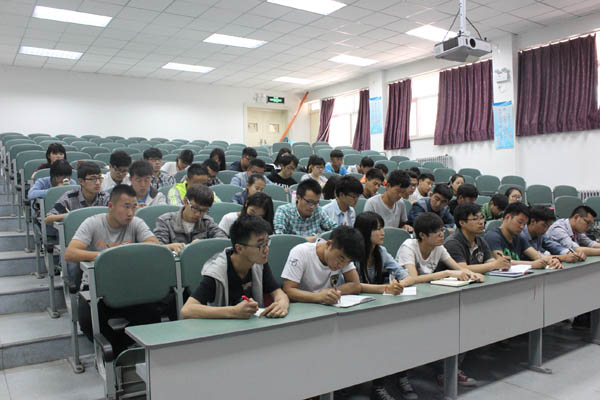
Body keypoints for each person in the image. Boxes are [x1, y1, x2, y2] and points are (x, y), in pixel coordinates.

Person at [65, 185, 179, 354]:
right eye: (126, 207)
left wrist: (125, 254)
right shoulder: (92, 223)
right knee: (88, 321)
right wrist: (106, 257)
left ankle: (123, 350)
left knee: (154, 312)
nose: (130, 213)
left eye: (134, 207)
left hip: (131, 286)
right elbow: (71, 253)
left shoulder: (136, 223)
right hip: (98, 288)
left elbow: (154, 247)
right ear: (111, 206)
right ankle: (118, 352)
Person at [180, 215, 289, 319]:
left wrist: (282, 304)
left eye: (267, 243)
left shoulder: (259, 263)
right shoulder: (216, 272)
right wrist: (233, 311)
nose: (266, 249)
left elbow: (278, 293)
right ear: (239, 248)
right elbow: (187, 310)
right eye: (260, 245)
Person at [281, 225, 363, 304]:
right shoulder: (300, 252)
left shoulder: (345, 258)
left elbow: (355, 285)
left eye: (348, 262)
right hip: (302, 306)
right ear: (329, 245)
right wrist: (318, 297)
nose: (341, 266)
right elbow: (288, 290)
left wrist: (330, 292)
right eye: (341, 258)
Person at [396, 212, 484, 283]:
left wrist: (472, 274)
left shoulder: (438, 247)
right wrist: (446, 273)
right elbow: (413, 279)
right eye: (436, 232)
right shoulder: (408, 247)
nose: (441, 235)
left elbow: (458, 267)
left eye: (442, 230)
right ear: (422, 235)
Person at [484, 202, 562, 269]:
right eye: (520, 222)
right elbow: (502, 262)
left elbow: (536, 255)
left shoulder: (519, 237)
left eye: (524, 224)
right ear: (508, 217)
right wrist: (532, 264)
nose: (522, 227)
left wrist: (551, 260)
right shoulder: (493, 236)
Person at [155, 183, 227, 252]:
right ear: (185, 201)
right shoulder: (165, 221)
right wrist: (170, 247)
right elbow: (157, 248)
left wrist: (204, 244)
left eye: (203, 211)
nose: (198, 214)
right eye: (195, 208)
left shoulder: (207, 222)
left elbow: (222, 241)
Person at [444, 203, 511, 273]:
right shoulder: (452, 243)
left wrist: (501, 263)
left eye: (481, 218)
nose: (481, 222)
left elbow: (489, 260)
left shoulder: (480, 240)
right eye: (475, 219)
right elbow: (462, 268)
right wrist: (494, 265)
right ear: (462, 223)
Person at [45, 162, 109, 226]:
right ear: (81, 181)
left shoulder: (104, 196)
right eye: (92, 179)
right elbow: (48, 219)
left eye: (100, 178)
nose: (98, 182)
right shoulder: (69, 197)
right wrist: (72, 215)